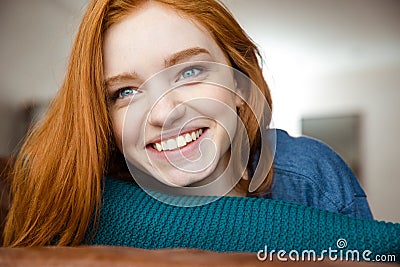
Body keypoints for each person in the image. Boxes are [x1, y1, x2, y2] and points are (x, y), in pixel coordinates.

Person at [3, 0, 372, 247]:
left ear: (237, 72)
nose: (164, 114)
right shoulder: (83, 201)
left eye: (190, 72)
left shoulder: (311, 175)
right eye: (126, 92)